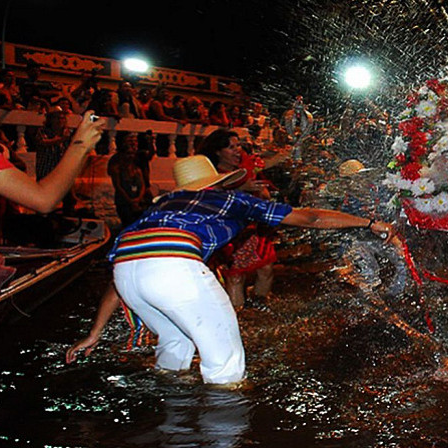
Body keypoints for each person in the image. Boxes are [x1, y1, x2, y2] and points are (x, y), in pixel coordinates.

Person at [67, 155, 394, 385]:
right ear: (219, 184)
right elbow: (309, 218)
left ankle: (168, 405)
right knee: (225, 361)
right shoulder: (228, 200)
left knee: (174, 342)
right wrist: (369, 222)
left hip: (128, 275)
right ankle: (225, 430)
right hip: (174, 268)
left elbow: (125, 272)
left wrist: (94, 333)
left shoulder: (159, 208)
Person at [198, 129, 275, 308]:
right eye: (231, 147)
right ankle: (239, 320)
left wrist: (261, 193)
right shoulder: (210, 174)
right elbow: (211, 202)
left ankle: (259, 313)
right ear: (218, 151)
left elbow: (264, 197)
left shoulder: (245, 170)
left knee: (266, 269)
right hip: (227, 233)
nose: (237, 150)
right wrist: (242, 190)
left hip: (252, 229)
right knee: (235, 276)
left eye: (238, 145)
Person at [0, 111, 105, 213]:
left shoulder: (65, 132)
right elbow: (43, 200)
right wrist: (80, 144)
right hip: (46, 172)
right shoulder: (43, 131)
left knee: (69, 200)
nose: (60, 121)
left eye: (63, 118)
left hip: (59, 174)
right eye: (57, 118)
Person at [108, 134, 148, 227]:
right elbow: (118, 187)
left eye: (132, 154)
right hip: (124, 201)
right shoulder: (117, 169)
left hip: (137, 200)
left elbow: (142, 185)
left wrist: (138, 199)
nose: (130, 156)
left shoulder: (137, 169)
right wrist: (130, 201)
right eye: (128, 154)